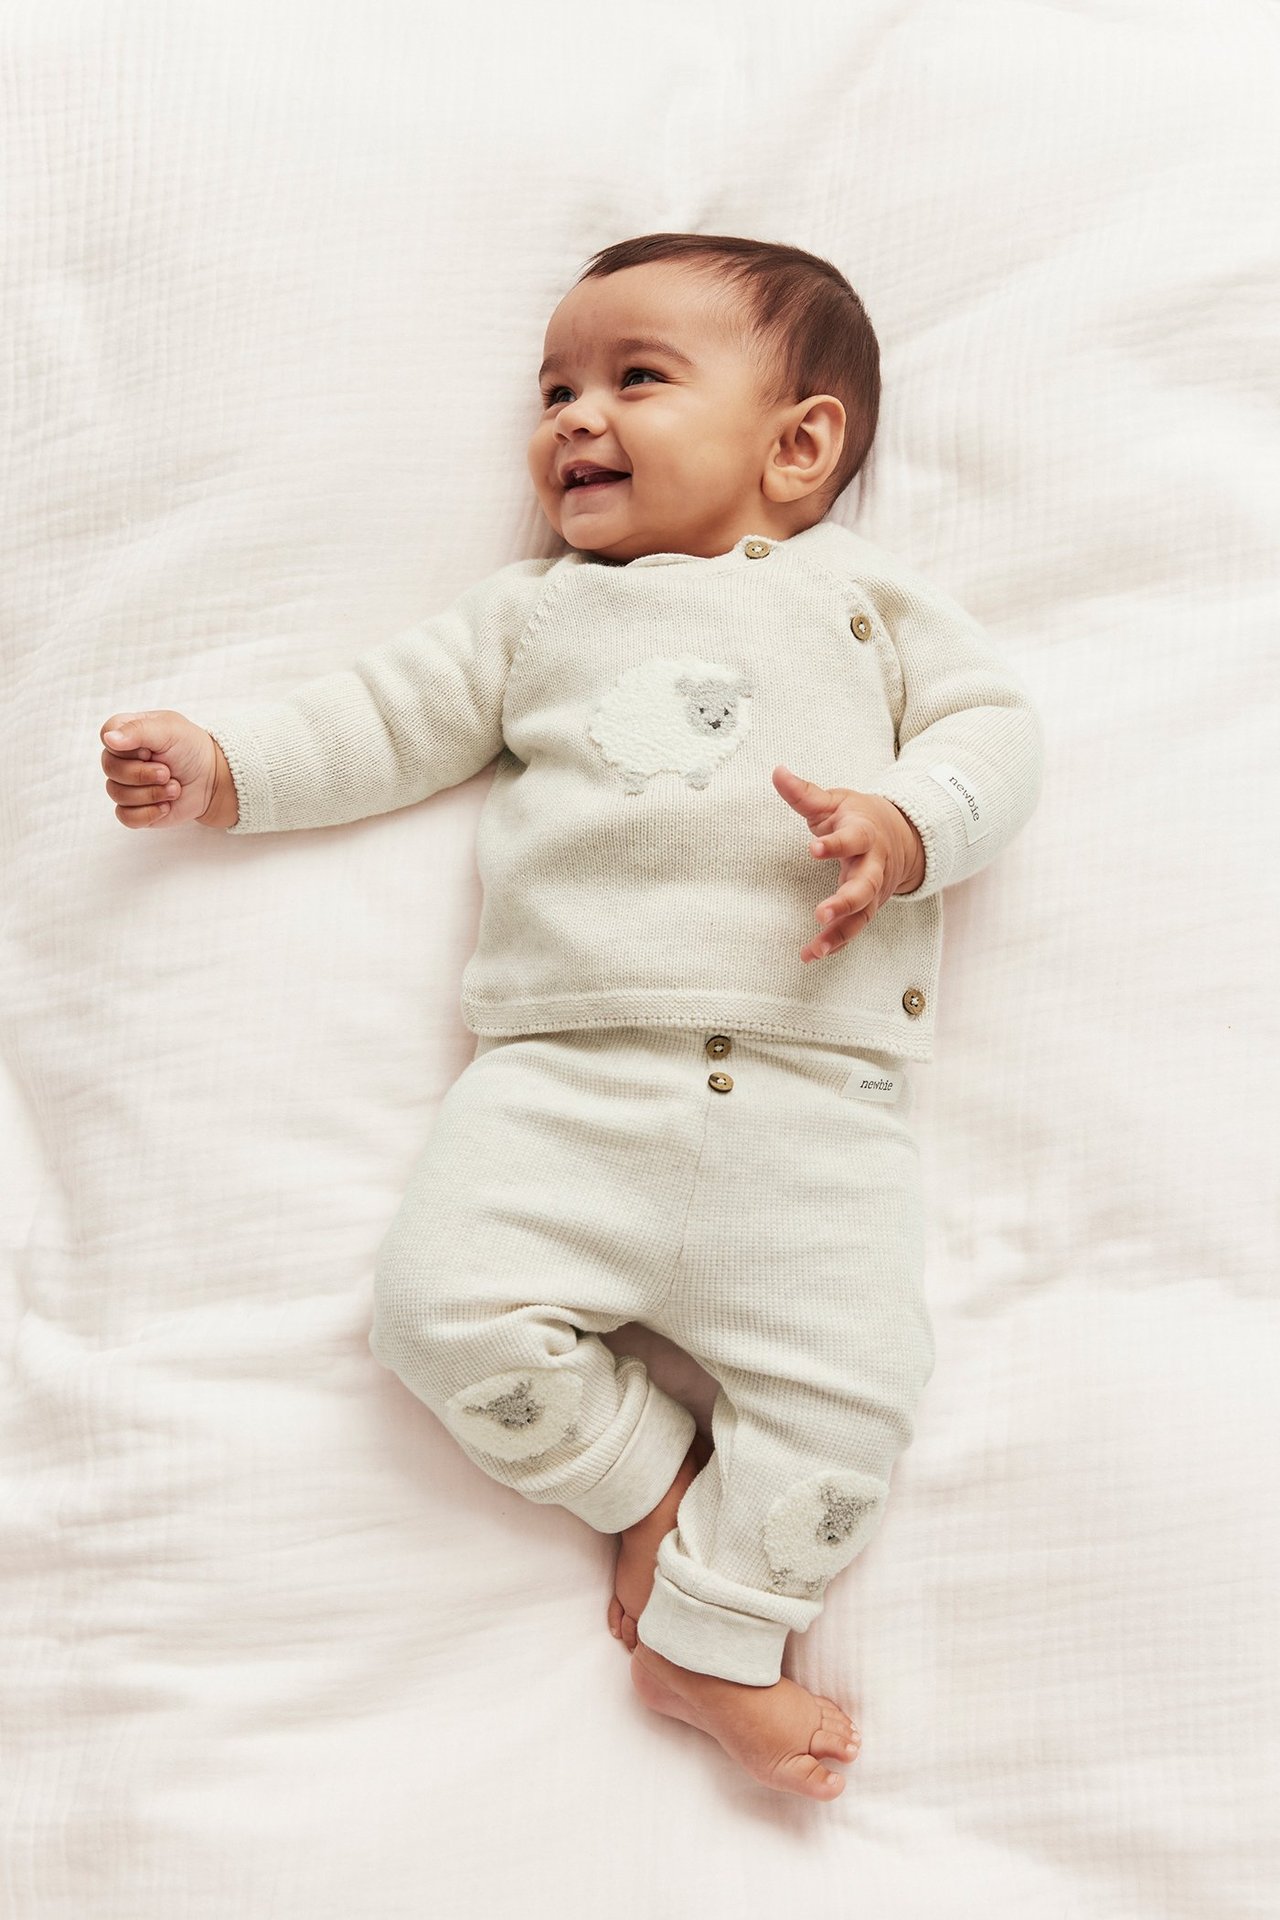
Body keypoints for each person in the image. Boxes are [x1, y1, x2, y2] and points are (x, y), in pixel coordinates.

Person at [97, 232, 1044, 1801]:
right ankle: (651, 1488)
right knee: (434, 1311)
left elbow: (997, 732)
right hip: (563, 1084)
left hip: (816, 1108)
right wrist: (224, 765)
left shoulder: (865, 601)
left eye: (636, 379)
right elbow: (379, 721)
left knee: (851, 1402)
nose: (573, 420)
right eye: (555, 389)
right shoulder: (532, 616)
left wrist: (909, 825)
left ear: (799, 444)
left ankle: (714, 1648)